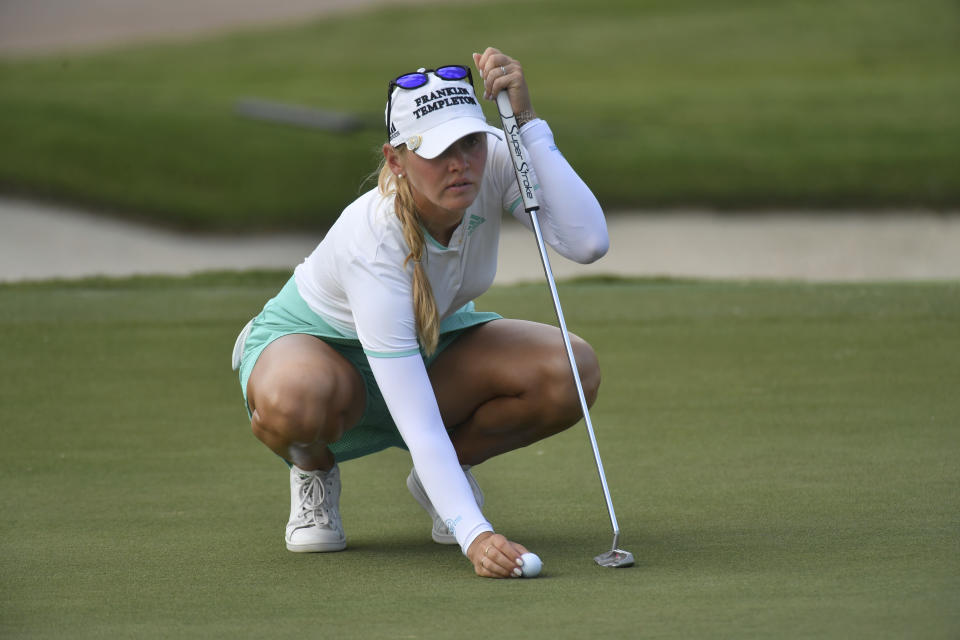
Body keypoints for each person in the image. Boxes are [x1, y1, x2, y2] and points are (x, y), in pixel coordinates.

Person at [231, 47, 609, 578]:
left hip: (434, 344)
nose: (461, 163)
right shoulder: (374, 239)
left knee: (571, 368)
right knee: (296, 400)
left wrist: (527, 127)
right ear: (396, 160)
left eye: (471, 142)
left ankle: (444, 479)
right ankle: (313, 469)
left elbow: (588, 241)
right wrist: (475, 535)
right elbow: (418, 421)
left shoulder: (495, 158)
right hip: (319, 350)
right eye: (437, 151)